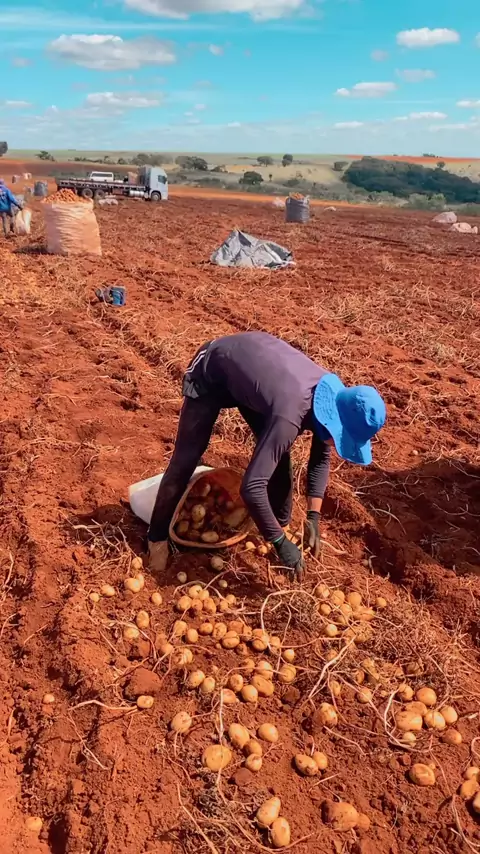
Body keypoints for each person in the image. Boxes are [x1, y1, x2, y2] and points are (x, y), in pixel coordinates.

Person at [148, 332, 386, 577]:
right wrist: (281, 544)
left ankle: (279, 526)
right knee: (186, 459)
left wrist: (313, 517)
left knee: (279, 458)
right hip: (213, 368)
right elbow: (252, 488)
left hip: (253, 380)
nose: (339, 445)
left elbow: (320, 457)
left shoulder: (333, 403)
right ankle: (156, 538)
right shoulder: (289, 415)